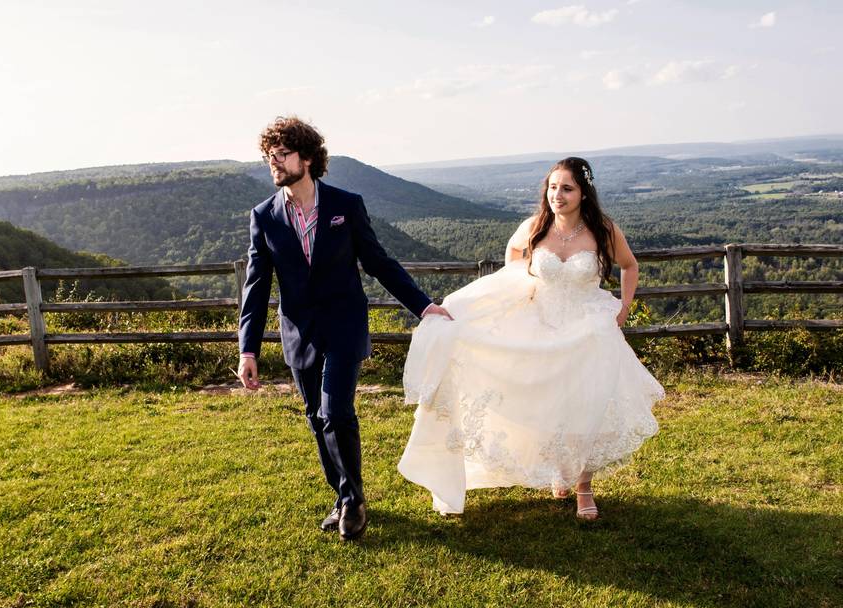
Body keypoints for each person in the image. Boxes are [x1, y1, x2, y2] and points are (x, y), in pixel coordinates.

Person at [398, 157, 664, 519]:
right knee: (551, 404)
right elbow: (513, 258)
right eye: (553, 187)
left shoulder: (602, 230)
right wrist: (521, 289)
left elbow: (629, 265)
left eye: (567, 188)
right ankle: (560, 472)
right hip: (542, 325)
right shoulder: (535, 226)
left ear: (584, 193)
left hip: (588, 330)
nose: (558, 195)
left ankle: (583, 488)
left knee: (586, 407)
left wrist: (625, 307)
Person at [237, 116, 451, 541]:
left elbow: (377, 261)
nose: (274, 163)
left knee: (335, 411)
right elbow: (256, 285)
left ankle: (354, 502)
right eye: (269, 156)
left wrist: (422, 305)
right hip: (298, 333)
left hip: (344, 326)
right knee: (315, 418)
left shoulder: (345, 205)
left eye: (282, 154)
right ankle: (342, 495)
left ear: (309, 157)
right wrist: (249, 350)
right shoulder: (264, 216)